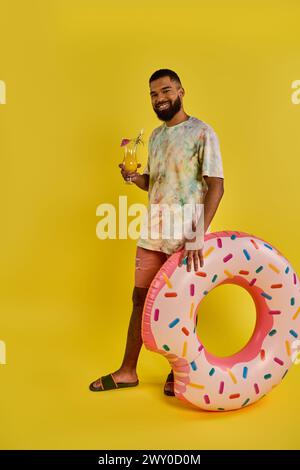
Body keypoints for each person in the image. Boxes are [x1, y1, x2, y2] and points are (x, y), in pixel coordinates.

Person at [89, 69, 224, 395]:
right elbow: (155, 182)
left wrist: (197, 236)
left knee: (184, 304)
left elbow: (216, 187)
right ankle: (127, 371)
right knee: (139, 299)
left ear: (181, 91)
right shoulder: (155, 136)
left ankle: (178, 372)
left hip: (186, 235)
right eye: (153, 94)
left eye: (165, 91)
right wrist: (134, 179)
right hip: (153, 232)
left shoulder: (202, 132)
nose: (160, 98)